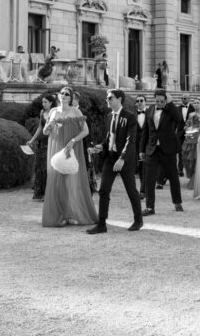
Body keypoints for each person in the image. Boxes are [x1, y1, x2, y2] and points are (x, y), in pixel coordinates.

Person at [87, 89, 142, 234]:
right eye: (107, 98)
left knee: (131, 190)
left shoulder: (130, 117)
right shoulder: (109, 116)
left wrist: (122, 158)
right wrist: (100, 147)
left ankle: (138, 220)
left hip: (125, 159)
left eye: (110, 98)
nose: (107, 100)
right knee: (103, 190)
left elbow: (131, 140)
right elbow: (109, 138)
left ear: (119, 99)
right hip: (110, 158)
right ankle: (102, 224)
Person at [42, 86, 97, 227]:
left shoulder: (76, 111)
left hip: (71, 148)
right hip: (56, 148)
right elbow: (45, 132)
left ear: (71, 98)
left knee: (72, 182)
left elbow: (85, 131)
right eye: (62, 93)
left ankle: (73, 214)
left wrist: (73, 141)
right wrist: (48, 126)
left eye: (67, 94)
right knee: (56, 182)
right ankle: (60, 215)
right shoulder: (53, 111)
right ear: (58, 96)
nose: (64, 96)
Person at [140, 89, 184, 215]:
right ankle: (150, 207)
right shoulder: (150, 110)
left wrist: (170, 103)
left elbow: (179, 119)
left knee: (173, 176)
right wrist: (142, 150)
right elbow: (145, 131)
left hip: (168, 149)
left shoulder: (171, 110)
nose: (159, 103)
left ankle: (177, 202)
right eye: (157, 100)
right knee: (149, 179)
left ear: (166, 100)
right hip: (152, 149)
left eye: (161, 101)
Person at [27, 93, 58, 201]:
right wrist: (32, 140)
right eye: (42, 102)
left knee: (47, 168)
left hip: (51, 142)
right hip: (41, 142)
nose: (43, 104)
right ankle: (39, 193)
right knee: (39, 167)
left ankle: (48, 194)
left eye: (45, 102)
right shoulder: (42, 112)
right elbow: (40, 127)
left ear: (51, 103)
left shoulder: (56, 113)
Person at [182, 97, 200, 188]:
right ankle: (193, 177)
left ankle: (198, 179)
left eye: (198, 103)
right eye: (194, 103)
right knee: (189, 160)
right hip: (190, 138)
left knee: (198, 159)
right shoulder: (191, 114)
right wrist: (186, 127)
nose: (196, 104)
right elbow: (187, 124)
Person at [177, 94, 195, 176]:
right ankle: (180, 170)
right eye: (182, 98)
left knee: (190, 151)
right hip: (180, 133)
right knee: (180, 152)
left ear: (189, 99)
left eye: (185, 98)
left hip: (190, 133)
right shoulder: (178, 108)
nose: (183, 99)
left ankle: (190, 170)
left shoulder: (193, 108)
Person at [135, 95, 148, 198]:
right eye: (137, 101)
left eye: (141, 100)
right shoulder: (132, 115)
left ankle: (144, 190)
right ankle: (143, 189)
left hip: (148, 144)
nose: (139, 102)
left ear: (145, 102)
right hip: (136, 144)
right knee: (140, 167)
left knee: (146, 167)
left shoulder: (150, 113)